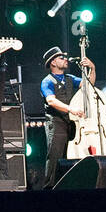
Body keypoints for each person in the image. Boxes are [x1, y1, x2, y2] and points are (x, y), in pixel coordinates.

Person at [39, 46, 95, 189]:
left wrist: (92, 68)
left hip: (72, 123)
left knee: (72, 155)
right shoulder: (47, 81)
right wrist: (71, 109)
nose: (65, 59)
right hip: (56, 123)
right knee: (55, 157)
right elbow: (51, 100)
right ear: (52, 63)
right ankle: (49, 188)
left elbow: (88, 85)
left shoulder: (69, 79)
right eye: (61, 57)